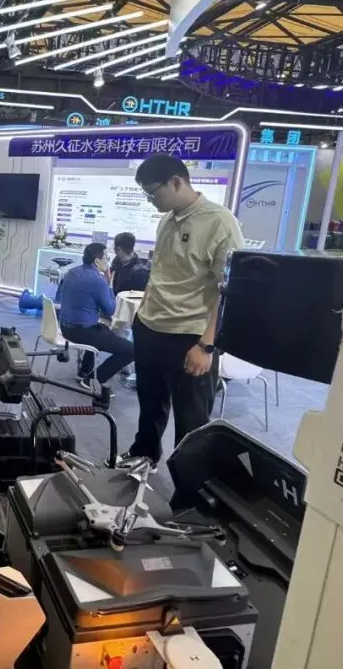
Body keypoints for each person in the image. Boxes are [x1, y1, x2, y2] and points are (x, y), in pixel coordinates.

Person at [126, 154, 244, 466]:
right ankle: (143, 456)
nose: (150, 200)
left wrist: (207, 345)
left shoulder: (220, 223)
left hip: (189, 337)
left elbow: (229, 291)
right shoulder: (167, 219)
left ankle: (188, 485)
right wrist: (142, 316)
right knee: (150, 405)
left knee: (191, 420)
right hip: (150, 327)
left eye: (153, 192)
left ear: (177, 182)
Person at [57, 243, 135, 391]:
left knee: (102, 330)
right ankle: (93, 379)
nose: (109, 261)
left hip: (65, 327)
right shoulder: (98, 281)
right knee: (132, 350)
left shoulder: (72, 272)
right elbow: (110, 310)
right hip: (82, 331)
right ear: (97, 261)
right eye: (107, 258)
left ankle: (84, 371)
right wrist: (109, 285)